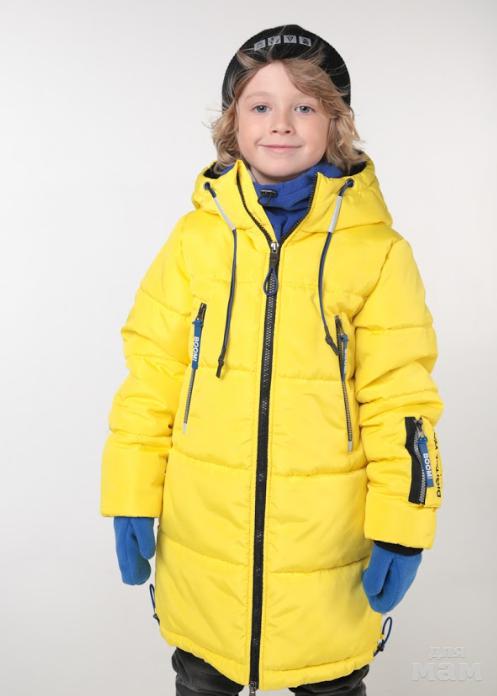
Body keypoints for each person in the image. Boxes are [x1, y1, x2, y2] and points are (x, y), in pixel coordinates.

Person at [100, 24, 444, 696]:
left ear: (335, 122)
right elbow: (151, 376)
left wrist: (404, 524)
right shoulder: (194, 242)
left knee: (330, 681)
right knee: (201, 678)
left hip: (329, 550)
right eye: (260, 105)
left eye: (304, 106)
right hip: (204, 547)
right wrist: (129, 494)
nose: (280, 123)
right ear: (233, 123)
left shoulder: (378, 253)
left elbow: (400, 398)